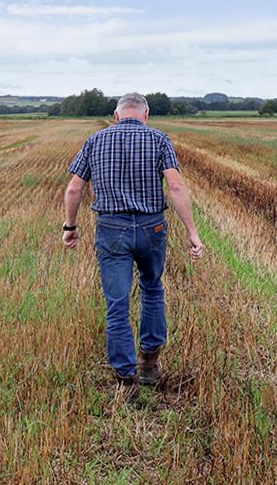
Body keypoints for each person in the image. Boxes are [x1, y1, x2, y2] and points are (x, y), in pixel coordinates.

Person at [62, 92, 204, 386]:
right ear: (146, 114)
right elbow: (176, 186)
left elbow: (74, 189)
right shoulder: (159, 139)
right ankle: (150, 364)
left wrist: (70, 226)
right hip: (152, 227)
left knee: (118, 302)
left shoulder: (95, 141)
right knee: (152, 290)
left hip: (112, 228)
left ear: (116, 115)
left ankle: (126, 377)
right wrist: (192, 232)